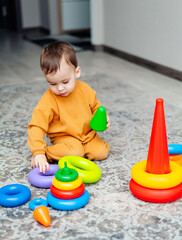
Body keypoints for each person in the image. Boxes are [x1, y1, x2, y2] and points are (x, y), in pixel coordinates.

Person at [27, 42, 110, 173]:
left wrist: (103, 117)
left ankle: (78, 151)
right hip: (64, 137)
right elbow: (36, 126)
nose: (60, 88)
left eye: (65, 82)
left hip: (87, 135)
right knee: (75, 151)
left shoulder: (85, 89)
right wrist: (39, 152)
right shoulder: (48, 100)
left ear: (76, 72)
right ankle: (48, 153)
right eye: (52, 83)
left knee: (101, 152)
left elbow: (96, 106)